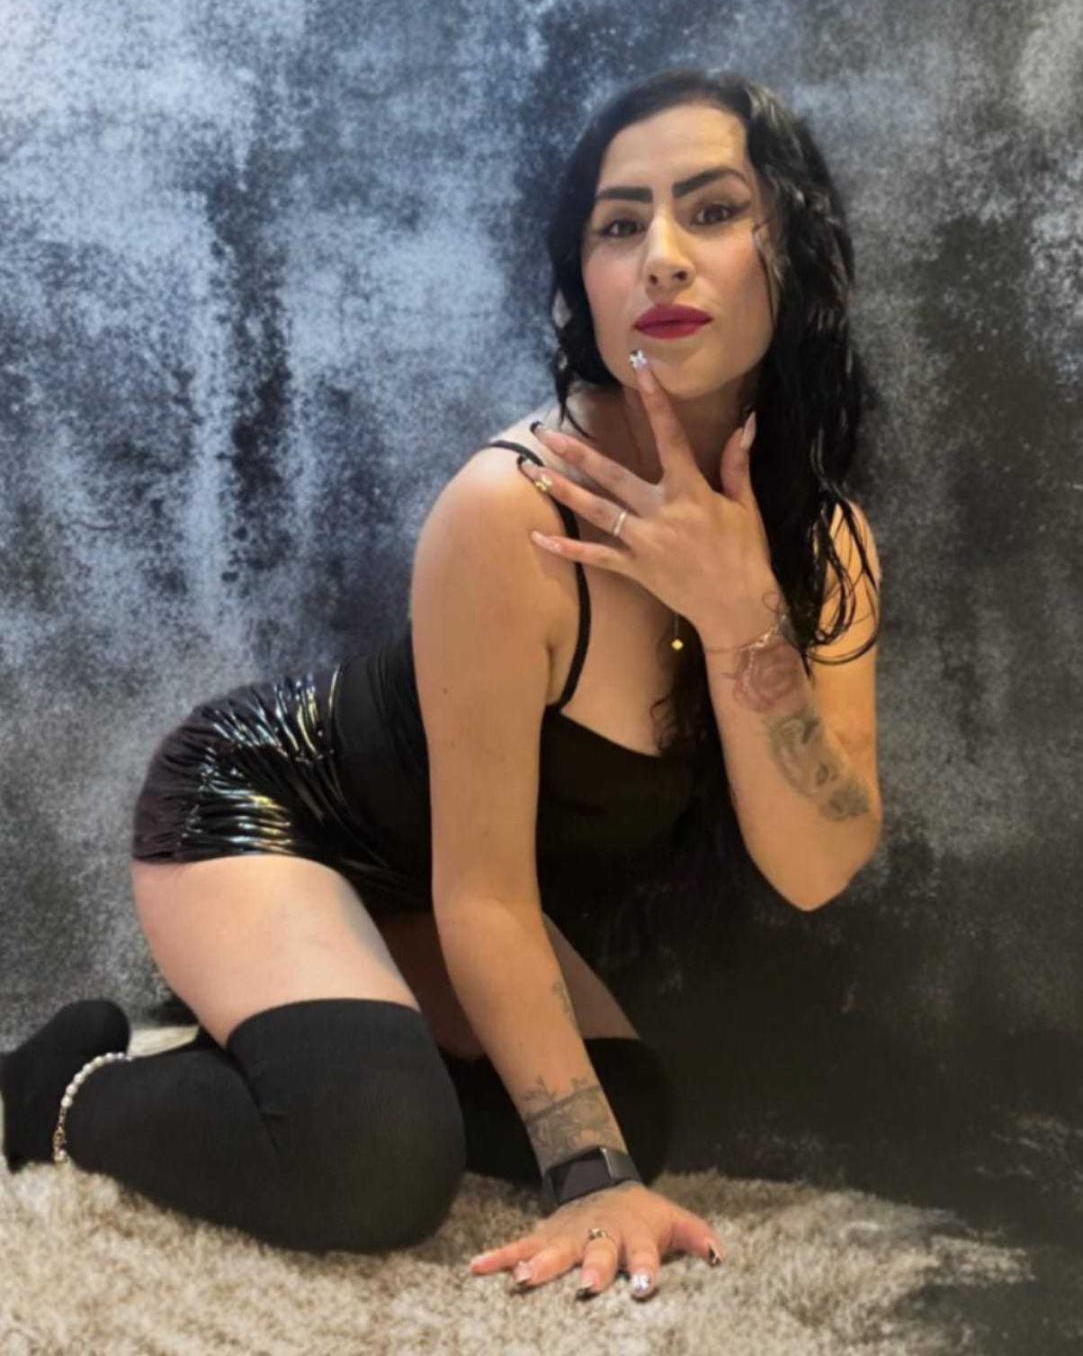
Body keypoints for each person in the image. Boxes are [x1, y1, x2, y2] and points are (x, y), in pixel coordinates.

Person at [1, 66, 882, 1303]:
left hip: (423, 881)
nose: (662, 257)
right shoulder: (513, 510)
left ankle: (285, 1046)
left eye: (715, 210)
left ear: (793, 247)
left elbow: (818, 860)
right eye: (619, 225)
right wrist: (588, 1182)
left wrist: (741, 614)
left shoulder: (828, 548)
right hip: (265, 810)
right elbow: (486, 895)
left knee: (627, 1108)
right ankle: (58, 1086)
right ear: (584, 279)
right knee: (380, 1164)